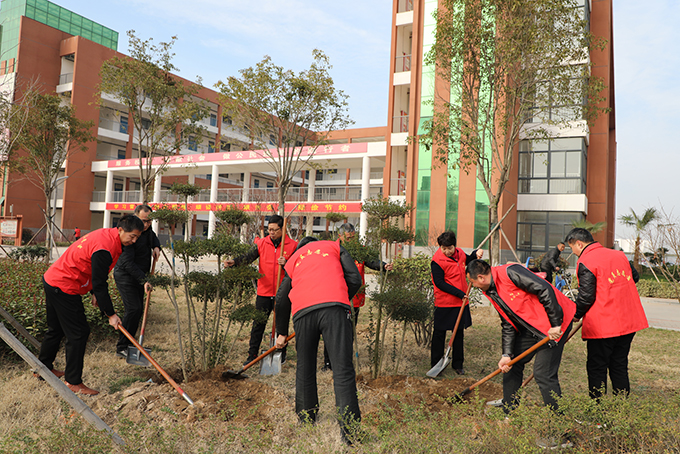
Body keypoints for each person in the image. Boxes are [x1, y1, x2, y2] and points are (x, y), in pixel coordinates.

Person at [38, 215, 144, 395]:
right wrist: (110, 314)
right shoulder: (106, 247)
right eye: (131, 236)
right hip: (64, 285)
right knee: (79, 333)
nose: (133, 241)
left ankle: (43, 369)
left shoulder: (107, 235)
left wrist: (93, 291)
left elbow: (90, 268)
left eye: (136, 238)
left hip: (53, 279)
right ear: (120, 230)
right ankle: (73, 382)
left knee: (56, 329)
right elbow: (100, 281)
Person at [275, 237, 363, 445]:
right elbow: (355, 278)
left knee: (305, 367)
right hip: (335, 309)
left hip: (303, 312)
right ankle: (349, 433)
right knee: (342, 369)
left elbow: (281, 297)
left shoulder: (295, 257)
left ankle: (306, 418)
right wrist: (341, 299)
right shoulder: (334, 247)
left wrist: (281, 332)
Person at [466, 259, 575, 414]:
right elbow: (508, 323)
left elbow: (543, 288)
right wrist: (507, 354)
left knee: (543, 373)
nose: (474, 286)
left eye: (472, 282)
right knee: (511, 364)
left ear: (481, 278)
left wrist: (555, 323)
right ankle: (510, 414)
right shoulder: (491, 290)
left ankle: (560, 420)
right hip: (532, 327)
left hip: (555, 324)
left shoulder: (510, 272)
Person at [565, 228, 648, 399]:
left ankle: (598, 408)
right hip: (628, 320)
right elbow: (635, 277)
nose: (573, 252)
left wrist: (575, 314)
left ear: (579, 243)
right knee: (619, 364)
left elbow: (586, 296)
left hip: (604, 325)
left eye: (572, 248)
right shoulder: (619, 255)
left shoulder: (586, 261)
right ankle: (620, 405)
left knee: (597, 366)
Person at [225, 214, 298, 365]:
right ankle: (252, 354)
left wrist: (287, 263)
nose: (271, 232)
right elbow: (249, 257)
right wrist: (235, 262)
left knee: (281, 325)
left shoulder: (293, 245)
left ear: (282, 229)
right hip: (264, 292)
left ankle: (281, 353)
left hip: (282, 294)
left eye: (274, 229)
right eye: (269, 229)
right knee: (258, 324)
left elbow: (298, 267)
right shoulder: (262, 243)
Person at [321, 223, 393, 371]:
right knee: (332, 331)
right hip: (335, 296)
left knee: (349, 332)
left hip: (353, 297)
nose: (351, 240)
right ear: (340, 236)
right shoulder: (331, 250)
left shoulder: (360, 249)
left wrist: (383, 266)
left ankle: (344, 361)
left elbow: (372, 261)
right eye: (348, 238)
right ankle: (328, 363)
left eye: (353, 237)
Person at [430, 231, 482, 375]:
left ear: (454, 245)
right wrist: (460, 293)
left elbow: (469, 259)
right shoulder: (437, 261)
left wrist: (477, 253)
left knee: (458, 334)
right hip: (444, 303)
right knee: (439, 334)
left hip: (461, 303)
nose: (447, 251)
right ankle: (436, 364)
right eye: (443, 248)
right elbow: (439, 283)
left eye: (449, 248)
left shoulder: (459, 253)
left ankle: (458, 365)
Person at [113, 205, 160, 358]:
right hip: (126, 275)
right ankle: (122, 346)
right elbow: (127, 263)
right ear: (136, 217)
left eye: (149, 222)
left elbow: (153, 237)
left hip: (139, 275)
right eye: (144, 221)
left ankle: (130, 342)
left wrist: (156, 246)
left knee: (138, 309)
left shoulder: (147, 231)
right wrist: (144, 280)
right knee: (133, 309)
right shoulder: (129, 236)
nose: (146, 225)